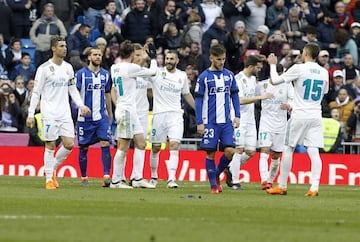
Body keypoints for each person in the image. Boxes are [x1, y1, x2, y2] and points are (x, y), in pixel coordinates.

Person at [26, 36, 91, 190]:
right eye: (61, 46)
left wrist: (81, 105)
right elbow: (36, 92)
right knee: (50, 144)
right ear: (53, 48)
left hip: (64, 112)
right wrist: (30, 114)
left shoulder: (68, 68)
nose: (65, 48)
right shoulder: (43, 69)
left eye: (65, 45)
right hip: (49, 112)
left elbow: (72, 89)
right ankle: (49, 180)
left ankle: (51, 169)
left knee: (69, 144)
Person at [266, 42, 329, 196]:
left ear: (306, 53)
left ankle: (282, 185)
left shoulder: (299, 68)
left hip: (300, 114)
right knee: (314, 151)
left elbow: (274, 80)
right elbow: (324, 92)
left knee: (288, 148)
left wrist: (273, 65)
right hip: (315, 115)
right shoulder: (324, 72)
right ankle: (314, 187)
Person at [110, 40, 157, 189]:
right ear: (131, 54)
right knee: (123, 147)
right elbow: (153, 72)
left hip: (127, 109)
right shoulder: (131, 68)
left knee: (141, 143)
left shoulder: (114, 67)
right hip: (127, 110)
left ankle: (137, 178)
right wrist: (153, 58)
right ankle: (116, 181)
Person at [194, 43, 240, 194]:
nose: (221, 62)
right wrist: (200, 122)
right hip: (210, 122)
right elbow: (199, 101)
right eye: (219, 59)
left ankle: (217, 173)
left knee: (230, 151)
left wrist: (237, 116)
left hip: (226, 122)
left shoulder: (229, 75)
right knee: (210, 153)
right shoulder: (204, 78)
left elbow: (234, 96)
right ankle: (214, 185)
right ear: (211, 58)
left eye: (223, 59)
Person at [148, 50, 195, 189]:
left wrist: (199, 111)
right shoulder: (157, 73)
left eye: (171, 59)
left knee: (174, 145)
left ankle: (171, 179)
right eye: (167, 58)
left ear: (177, 61)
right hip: (159, 115)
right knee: (156, 147)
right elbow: (148, 88)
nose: (168, 61)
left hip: (175, 115)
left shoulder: (182, 76)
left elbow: (186, 94)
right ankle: (154, 176)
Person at [225, 54, 273, 190]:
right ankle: (235, 181)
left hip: (250, 119)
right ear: (251, 66)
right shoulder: (238, 79)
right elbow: (239, 100)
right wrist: (260, 97)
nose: (259, 70)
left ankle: (230, 168)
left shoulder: (253, 79)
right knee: (238, 149)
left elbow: (261, 90)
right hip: (238, 117)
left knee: (251, 151)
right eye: (257, 68)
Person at [75, 47, 113, 187]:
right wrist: (79, 107)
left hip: (101, 116)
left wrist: (110, 113)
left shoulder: (106, 75)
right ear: (89, 57)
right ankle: (84, 178)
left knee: (105, 142)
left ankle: (107, 176)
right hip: (84, 119)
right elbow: (74, 93)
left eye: (99, 55)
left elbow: (108, 94)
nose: (98, 57)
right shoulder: (81, 75)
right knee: (84, 147)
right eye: (95, 55)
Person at [258, 64, 294, 190]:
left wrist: (289, 105)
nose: (279, 75)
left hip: (281, 124)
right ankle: (264, 180)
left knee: (276, 155)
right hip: (266, 123)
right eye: (277, 73)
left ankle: (270, 180)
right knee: (265, 150)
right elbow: (252, 97)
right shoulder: (263, 85)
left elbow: (293, 99)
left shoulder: (287, 85)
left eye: (281, 73)